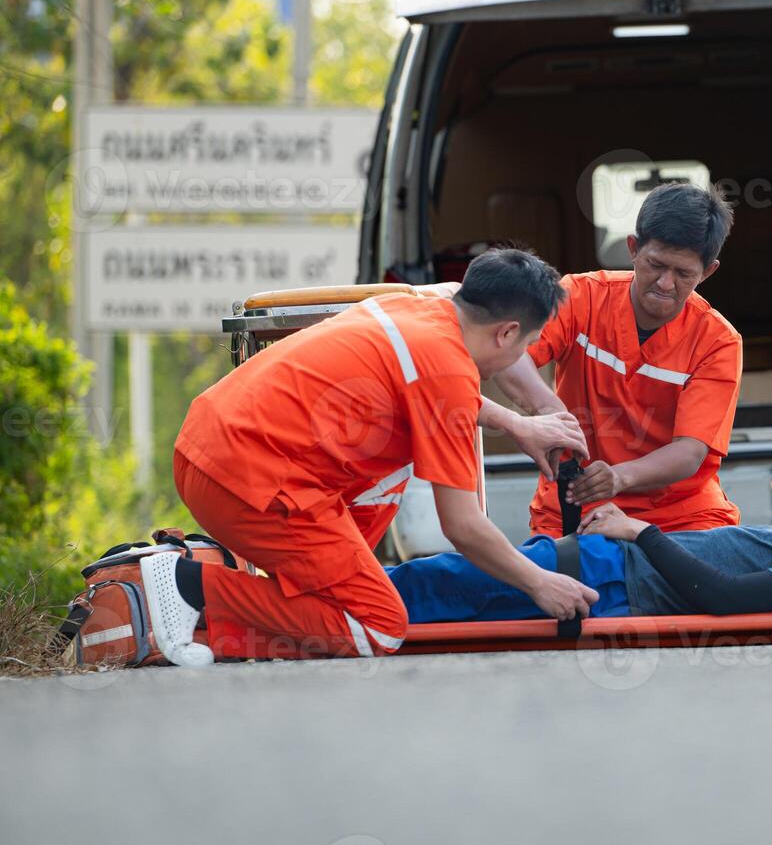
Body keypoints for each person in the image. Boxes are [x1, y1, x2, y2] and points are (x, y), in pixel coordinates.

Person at [143, 248, 599, 666]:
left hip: (209, 448)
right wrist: (540, 582)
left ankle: (310, 597)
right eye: (527, 347)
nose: (522, 357)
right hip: (243, 482)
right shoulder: (448, 373)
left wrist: (517, 423)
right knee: (378, 627)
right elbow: (463, 527)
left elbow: (433, 385)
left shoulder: (417, 306)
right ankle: (190, 587)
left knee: (393, 466)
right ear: (507, 333)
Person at [489, 183, 744, 537]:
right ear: (633, 248)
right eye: (656, 265)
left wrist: (620, 477)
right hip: (575, 498)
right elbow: (506, 351)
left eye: (684, 274)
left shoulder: (718, 341)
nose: (666, 284)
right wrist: (550, 414)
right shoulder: (579, 296)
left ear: (707, 272)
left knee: (712, 582)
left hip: (683, 514)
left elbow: (689, 453)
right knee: (553, 584)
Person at [388, 501, 772, 622]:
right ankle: (314, 604)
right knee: (428, 588)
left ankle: (317, 608)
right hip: (604, 567)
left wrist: (641, 532)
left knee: (424, 589)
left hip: (609, 578)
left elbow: (726, 599)